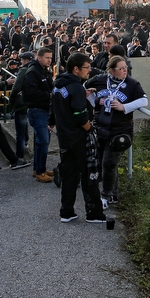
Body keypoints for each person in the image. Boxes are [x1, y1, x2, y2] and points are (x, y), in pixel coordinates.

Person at [50, 53, 106, 224]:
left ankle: (66, 212)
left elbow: (56, 107)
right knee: (90, 175)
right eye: (87, 67)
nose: (89, 71)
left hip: (65, 138)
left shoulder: (58, 85)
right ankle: (94, 213)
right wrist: (90, 130)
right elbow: (80, 116)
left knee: (69, 176)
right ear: (76, 69)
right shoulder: (76, 87)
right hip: (79, 138)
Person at [85, 55, 148, 204]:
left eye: (125, 67)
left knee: (108, 164)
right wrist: (92, 99)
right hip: (100, 128)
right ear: (112, 70)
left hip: (120, 131)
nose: (125, 70)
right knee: (105, 164)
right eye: (121, 68)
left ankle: (105, 196)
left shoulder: (132, 84)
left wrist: (124, 107)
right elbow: (85, 90)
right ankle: (114, 194)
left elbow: (144, 100)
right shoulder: (100, 79)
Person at [22, 47, 55, 182]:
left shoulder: (44, 71)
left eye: (50, 58)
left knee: (42, 142)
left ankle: (39, 168)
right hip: (37, 110)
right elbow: (30, 93)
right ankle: (40, 171)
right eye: (47, 58)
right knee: (43, 140)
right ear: (39, 57)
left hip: (45, 110)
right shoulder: (32, 72)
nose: (49, 60)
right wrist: (49, 96)